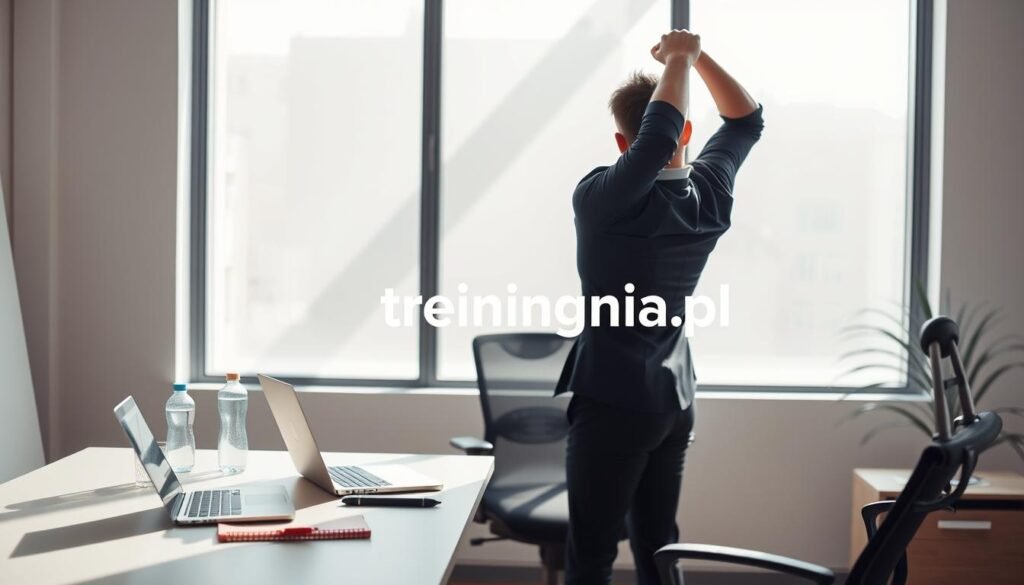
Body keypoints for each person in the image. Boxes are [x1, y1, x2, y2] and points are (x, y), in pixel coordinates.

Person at [554, 30, 763, 584]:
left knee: (591, 555)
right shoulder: (709, 196)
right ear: (688, 131)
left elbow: (654, 145)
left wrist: (679, 60)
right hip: (673, 401)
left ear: (620, 142)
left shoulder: (601, 202)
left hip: (612, 403)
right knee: (659, 547)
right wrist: (694, 57)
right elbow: (746, 122)